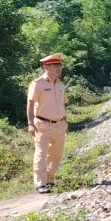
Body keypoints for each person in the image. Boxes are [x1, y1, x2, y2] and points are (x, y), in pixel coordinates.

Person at [26, 53, 68, 194]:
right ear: (46, 67)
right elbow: (30, 104)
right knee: (41, 154)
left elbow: (62, 105)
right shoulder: (38, 83)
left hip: (60, 125)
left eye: (60, 66)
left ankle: (50, 180)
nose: (59, 68)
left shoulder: (60, 85)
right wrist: (30, 123)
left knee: (55, 155)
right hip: (43, 125)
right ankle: (40, 183)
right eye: (55, 66)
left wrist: (65, 123)